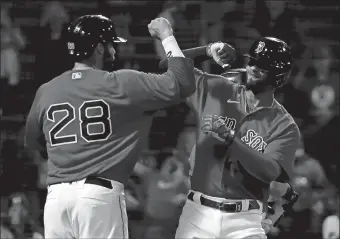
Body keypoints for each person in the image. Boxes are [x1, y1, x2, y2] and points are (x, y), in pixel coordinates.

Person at [24, 15, 195, 239]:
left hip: (56, 200)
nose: (113, 51)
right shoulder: (121, 83)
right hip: (98, 197)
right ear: (98, 48)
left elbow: (31, 142)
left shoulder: (47, 90)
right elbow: (183, 82)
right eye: (110, 44)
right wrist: (166, 35)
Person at [161, 37, 300, 238]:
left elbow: (271, 172)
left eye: (262, 65)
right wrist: (208, 50)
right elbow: (168, 66)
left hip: (245, 220)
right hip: (198, 213)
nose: (253, 67)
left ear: (279, 76)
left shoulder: (284, 125)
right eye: (252, 60)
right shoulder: (217, 89)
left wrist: (231, 138)